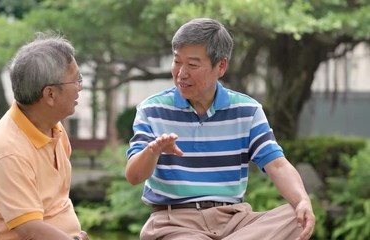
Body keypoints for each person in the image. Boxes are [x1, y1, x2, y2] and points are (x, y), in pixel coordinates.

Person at [125, 18, 315, 240]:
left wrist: (302, 200)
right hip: (174, 224)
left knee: (297, 217)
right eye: (177, 61)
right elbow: (134, 176)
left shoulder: (248, 110)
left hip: (236, 222)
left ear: (221, 66)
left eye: (193, 65)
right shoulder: (152, 109)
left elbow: (278, 165)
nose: (181, 73)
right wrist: (153, 151)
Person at [0, 34, 89, 240]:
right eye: (76, 80)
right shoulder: (7, 151)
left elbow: (57, 205)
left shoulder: (54, 129)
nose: (80, 87)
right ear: (50, 94)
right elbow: (30, 230)